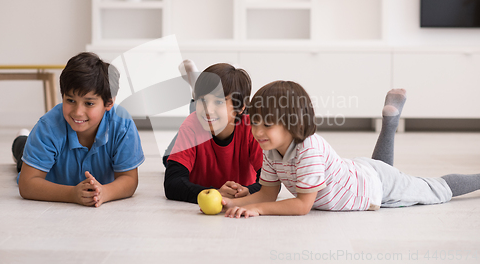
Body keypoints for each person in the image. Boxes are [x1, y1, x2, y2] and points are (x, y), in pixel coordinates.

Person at [223, 81, 480, 218]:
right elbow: (267, 194)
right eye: (254, 122)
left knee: (436, 189)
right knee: (383, 170)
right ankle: (389, 123)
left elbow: (302, 205)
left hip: (373, 185)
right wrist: (228, 203)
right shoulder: (271, 149)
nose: (257, 132)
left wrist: (258, 210)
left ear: (293, 123)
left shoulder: (308, 149)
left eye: (266, 124)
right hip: (360, 173)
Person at [12, 52, 145, 207]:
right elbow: (27, 184)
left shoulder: (122, 124)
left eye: (89, 103)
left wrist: (105, 192)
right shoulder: (48, 126)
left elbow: (129, 179)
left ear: (108, 103)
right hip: (50, 172)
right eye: (70, 100)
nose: (77, 112)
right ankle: (22, 140)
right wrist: (71, 194)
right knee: (23, 154)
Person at [164, 63, 263, 203]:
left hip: (227, 121)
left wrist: (249, 192)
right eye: (202, 100)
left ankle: (196, 84)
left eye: (219, 101)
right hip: (197, 126)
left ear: (240, 107)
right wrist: (215, 193)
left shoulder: (253, 129)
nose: (207, 109)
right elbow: (172, 184)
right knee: (167, 159)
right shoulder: (191, 125)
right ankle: (197, 87)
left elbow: (271, 184)